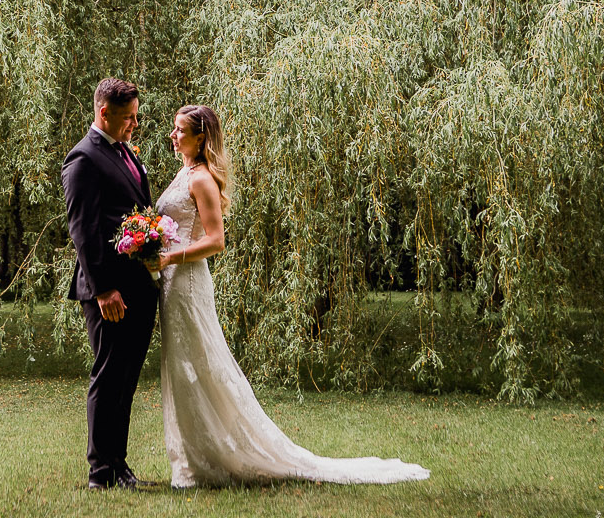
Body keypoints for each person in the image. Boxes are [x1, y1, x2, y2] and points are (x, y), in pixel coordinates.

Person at [153, 104, 430, 488]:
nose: (172, 135)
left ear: (200, 138)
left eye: (180, 130)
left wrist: (170, 256)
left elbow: (216, 241)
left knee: (199, 364)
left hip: (187, 282)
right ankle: (194, 457)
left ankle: (214, 457)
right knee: (182, 367)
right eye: (174, 129)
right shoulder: (184, 172)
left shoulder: (201, 179)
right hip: (171, 282)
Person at [61, 77, 161, 490]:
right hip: (109, 292)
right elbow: (83, 230)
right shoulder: (83, 158)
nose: (135, 124)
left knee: (126, 380)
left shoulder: (124, 152)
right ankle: (100, 472)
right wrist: (103, 289)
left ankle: (119, 465)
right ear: (104, 112)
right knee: (108, 377)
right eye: (129, 117)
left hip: (138, 285)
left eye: (135, 116)